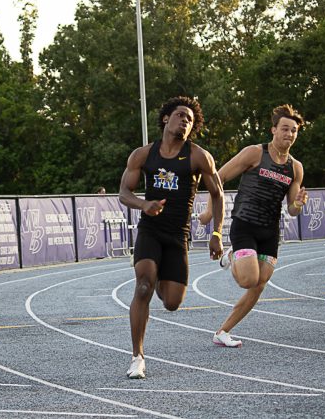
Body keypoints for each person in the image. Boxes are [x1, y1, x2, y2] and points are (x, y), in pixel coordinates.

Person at [119, 96, 224, 378]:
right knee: (143, 286)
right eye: (180, 115)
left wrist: (216, 233)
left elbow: (218, 194)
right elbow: (124, 193)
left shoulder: (199, 156)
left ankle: (159, 276)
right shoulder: (143, 155)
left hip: (178, 236)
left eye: (190, 119)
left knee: (172, 303)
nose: (185, 121)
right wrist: (144, 205)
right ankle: (137, 357)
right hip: (150, 230)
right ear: (166, 118)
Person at [199, 104, 307, 347]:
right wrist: (208, 210)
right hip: (245, 224)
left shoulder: (295, 167)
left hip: (270, 231)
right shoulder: (255, 153)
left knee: (259, 284)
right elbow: (218, 177)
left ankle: (222, 332)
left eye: (294, 131)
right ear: (273, 130)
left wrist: (298, 204)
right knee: (248, 280)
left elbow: (291, 209)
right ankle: (232, 254)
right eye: (285, 129)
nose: (289, 134)